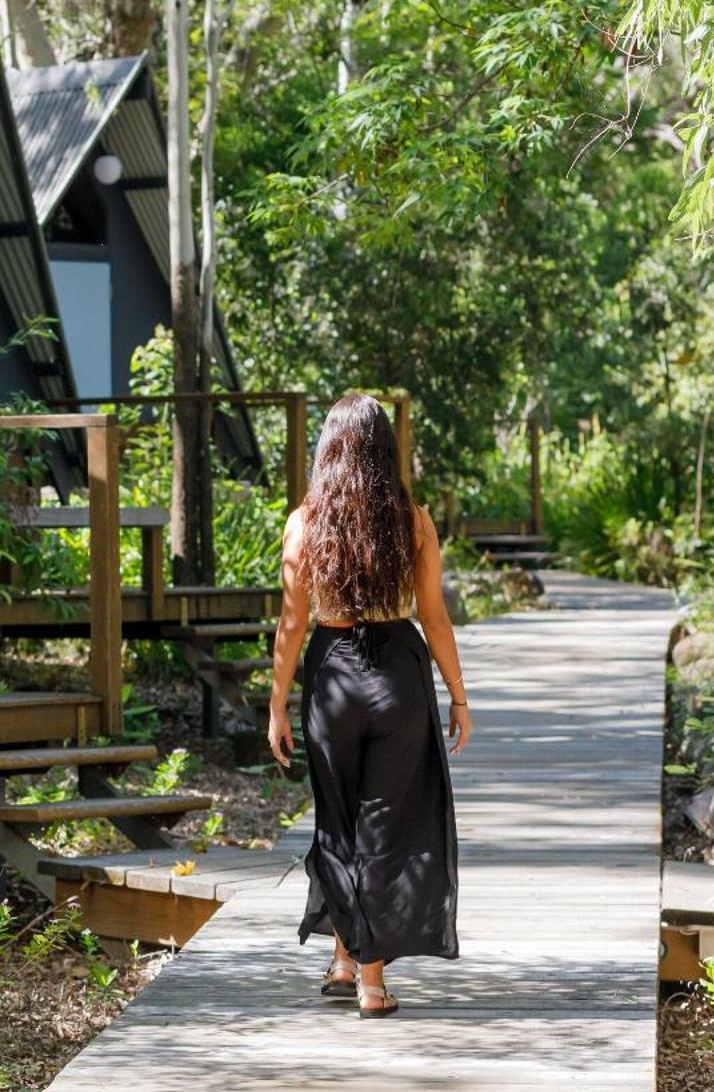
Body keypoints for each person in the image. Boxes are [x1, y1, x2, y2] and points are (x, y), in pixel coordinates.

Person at [266, 393, 470, 1018]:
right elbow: (434, 618)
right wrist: (459, 696)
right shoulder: (412, 520)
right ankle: (367, 980)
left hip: (332, 678)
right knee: (383, 827)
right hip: (398, 680)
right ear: (385, 449)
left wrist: (276, 705)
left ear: (328, 449)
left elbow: (292, 626)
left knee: (338, 820)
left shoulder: (304, 524)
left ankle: (345, 961)